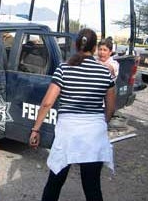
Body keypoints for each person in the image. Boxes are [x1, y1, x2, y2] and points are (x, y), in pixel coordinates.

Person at [29, 28, 116, 201]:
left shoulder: (63, 69)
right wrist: (101, 124)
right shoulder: (105, 72)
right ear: (94, 49)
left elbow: (47, 102)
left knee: (55, 182)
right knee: (92, 186)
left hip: (67, 133)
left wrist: (35, 129)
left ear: (76, 46)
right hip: (94, 134)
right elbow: (111, 107)